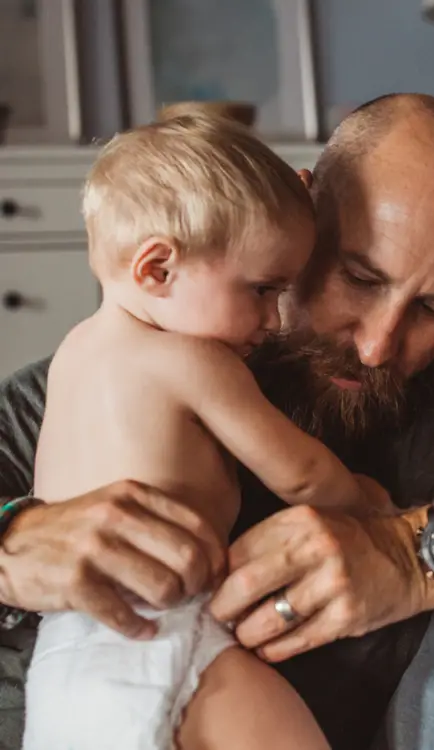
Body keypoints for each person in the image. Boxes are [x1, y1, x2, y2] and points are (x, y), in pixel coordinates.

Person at [0, 94, 434, 750]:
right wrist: (9, 543)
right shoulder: (59, 393)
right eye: (359, 277)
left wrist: (412, 557)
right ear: (299, 207)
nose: (378, 345)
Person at [24, 114, 389, 750]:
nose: (275, 320)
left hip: (62, 659)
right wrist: (368, 503)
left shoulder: (70, 356)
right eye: (262, 289)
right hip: (167, 633)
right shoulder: (194, 361)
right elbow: (299, 471)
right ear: (157, 269)